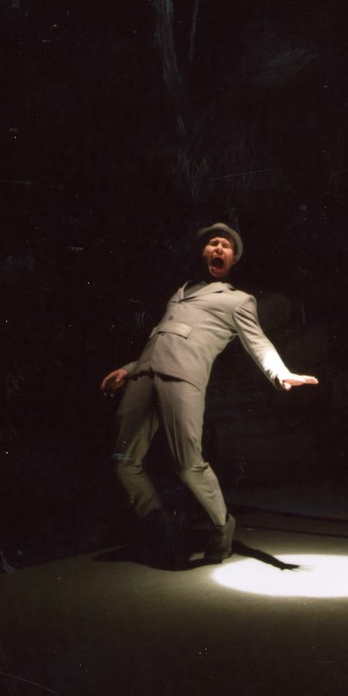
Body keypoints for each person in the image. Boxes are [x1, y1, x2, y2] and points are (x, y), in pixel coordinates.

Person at [101, 223, 319, 566]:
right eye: (213, 243)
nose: (218, 248)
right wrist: (129, 369)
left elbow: (257, 341)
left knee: (188, 464)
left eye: (226, 246)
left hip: (184, 378)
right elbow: (163, 336)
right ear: (202, 252)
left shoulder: (237, 300)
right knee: (123, 461)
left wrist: (279, 373)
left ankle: (222, 525)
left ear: (233, 260)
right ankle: (157, 525)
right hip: (144, 376)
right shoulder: (180, 292)